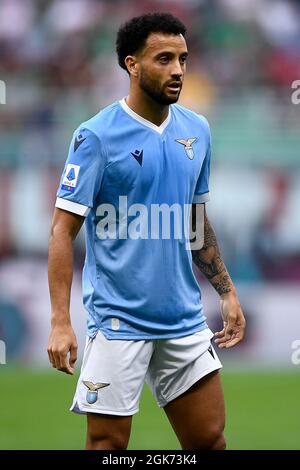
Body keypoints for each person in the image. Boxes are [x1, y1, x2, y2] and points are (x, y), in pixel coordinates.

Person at [47, 12, 246, 450]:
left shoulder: (197, 130)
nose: (177, 70)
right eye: (163, 59)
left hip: (183, 320)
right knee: (107, 447)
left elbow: (195, 219)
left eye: (182, 59)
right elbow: (63, 231)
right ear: (132, 65)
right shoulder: (95, 136)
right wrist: (61, 321)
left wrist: (226, 292)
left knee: (210, 441)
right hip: (119, 322)